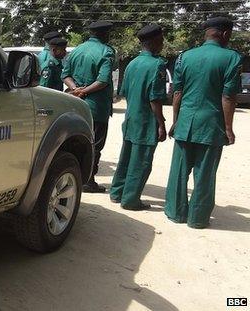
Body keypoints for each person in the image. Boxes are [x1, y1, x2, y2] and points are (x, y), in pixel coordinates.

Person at [165, 17, 242, 229]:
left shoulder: (185, 56)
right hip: (212, 125)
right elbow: (228, 97)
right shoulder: (232, 59)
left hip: (185, 123)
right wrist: (228, 128)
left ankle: (175, 212)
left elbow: (177, 92)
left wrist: (175, 121)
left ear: (206, 33)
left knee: (179, 171)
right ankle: (197, 218)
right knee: (205, 173)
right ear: (225, 34)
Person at [109, 24, 168, 211]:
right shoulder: (157, 64)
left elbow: (124, 92)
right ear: (154, 41)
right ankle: (131, 200)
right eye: (161, 40)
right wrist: (161, 123)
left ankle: (117, 192)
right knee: (141, 162)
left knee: (126, 157)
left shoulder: (132, 63)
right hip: (146, 120)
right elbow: (155, 99)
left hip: (131, 118)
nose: (163, 43)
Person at [62, 21, 115, 193]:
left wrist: (75, 90)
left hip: (76, 105)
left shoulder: (77, 50)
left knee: (75, 141)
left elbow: (65, 74)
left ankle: (75, 177)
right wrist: (84, 91)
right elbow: (103, 80)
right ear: (105, 34)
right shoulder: (106, 51)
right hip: (96, 108)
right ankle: (88, 180)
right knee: (95, 145)